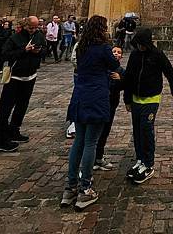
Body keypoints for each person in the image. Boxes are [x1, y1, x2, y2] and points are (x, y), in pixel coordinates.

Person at [60, 15, 118, 211]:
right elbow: (114, 65)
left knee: (79, 141)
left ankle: (70, 188)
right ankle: (85, 189)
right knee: (91, 143)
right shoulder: (103, 48)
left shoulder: (80, 47)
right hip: (96, 97)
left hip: (79, 97)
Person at [123, 28, 173, 184]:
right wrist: (127, 99)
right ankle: (140, 159)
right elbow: (128, 76)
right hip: (136, 99)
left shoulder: (157, 55)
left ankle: (148, 164)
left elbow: (170, 73)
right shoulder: (135, 55)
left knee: (146, 130)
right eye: (138, 44)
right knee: (137, 130)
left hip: (151, 99)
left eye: (142, 44)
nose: (140, 47)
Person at [0, 16, 45, 152]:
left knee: (22, 105)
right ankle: (1, 140)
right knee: (6, 108)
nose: (33, 30)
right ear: (24, 26)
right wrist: (24, 50)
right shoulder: (14, 38)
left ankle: (14, 130)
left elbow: (45, 50)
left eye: (36, 27)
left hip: (30, 76)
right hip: (14, 77)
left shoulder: (38, 36)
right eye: (31, 28)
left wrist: (39, 51)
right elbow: (4, 55)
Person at [94, 46, 125, 171]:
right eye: (114, 52)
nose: (116, 54)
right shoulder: (103, 67)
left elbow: (125, 84)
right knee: (96, 132)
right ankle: (93, 159)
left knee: (105, 131)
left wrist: (120, 79)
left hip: (112, 104)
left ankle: (99, 157)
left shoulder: (121, 70)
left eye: (119, 52)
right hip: (100, 102)